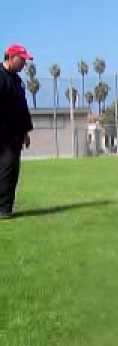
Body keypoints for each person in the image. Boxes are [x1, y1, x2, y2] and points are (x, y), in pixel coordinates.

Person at [0, 44, 33, 219]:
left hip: (14, 134)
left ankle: (6, 208)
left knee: (12, 170)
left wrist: (26, 131)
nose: (24, 64)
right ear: (12, 57)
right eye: (22, 60)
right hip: (3, 135)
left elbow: (21, 108)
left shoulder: (17, 80)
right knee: (5, 169)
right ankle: (2, 209)